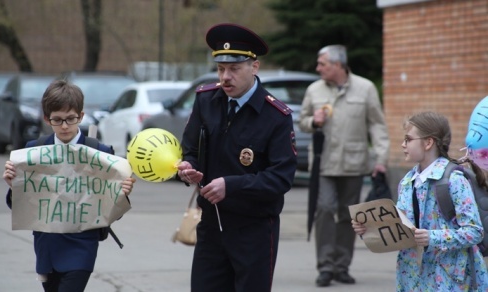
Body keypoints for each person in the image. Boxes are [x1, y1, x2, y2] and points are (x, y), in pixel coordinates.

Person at [176, 23, 297, 291]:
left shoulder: (276, 116)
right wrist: (187, 169)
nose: (225, 77)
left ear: (254, 67)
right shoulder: (206, 101)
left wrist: (230, 186)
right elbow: (191, 151)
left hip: (254, 230)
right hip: (210, 225)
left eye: (234, 69)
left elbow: (281, 178)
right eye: (221, 69)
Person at [2, 79, 136, 292]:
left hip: (82, 245)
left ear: (81, 116)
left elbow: (112, 213)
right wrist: (13, 186)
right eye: (57, 120)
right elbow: (20, 206)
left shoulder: (100, 153)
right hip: (47, 246)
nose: (64, 126)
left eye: (70, 119)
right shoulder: (33, 151)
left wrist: (121, 195)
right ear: (47, 119)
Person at [352, 111, 488, 290]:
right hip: (411, 278)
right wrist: (369, 230)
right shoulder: (407, 181)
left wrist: (432, 237)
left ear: (428, 142)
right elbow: (401, 230)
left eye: (408, 139)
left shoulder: (454, 180)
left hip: (449, 279)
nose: (403, 144)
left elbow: (475, 232)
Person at [298, 44, 390, 287]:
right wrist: (313, 121)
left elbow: (377, 126)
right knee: (325, 209)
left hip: (354, 162)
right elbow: (302, 122)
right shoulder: (314, 90)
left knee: (351, 217)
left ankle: (342, 266)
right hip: (324, 163)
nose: (318, 68)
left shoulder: (365, 88)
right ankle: (326, 267)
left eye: (323, 64)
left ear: (338, 65)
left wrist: (381, 159)